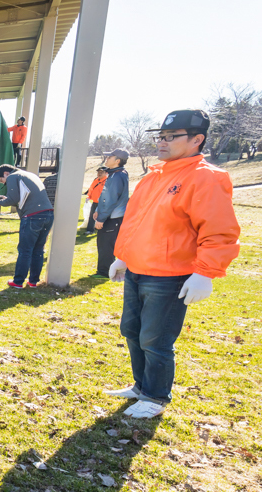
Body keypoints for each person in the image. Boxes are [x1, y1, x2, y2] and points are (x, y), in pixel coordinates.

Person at [104, 109, 240, 419]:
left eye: (171, 137)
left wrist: (205, 272)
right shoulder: (156, 175)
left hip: (170, 275)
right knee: (132, 330)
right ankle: (141, 386)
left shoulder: (206, 177)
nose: (162, 142)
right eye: (161, 136)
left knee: (155, 338)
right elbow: (137, 222)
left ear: (197, 140)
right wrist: (123, 256)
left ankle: (155, 396)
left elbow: (219, 230)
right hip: (138, 269)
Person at [0, 164, 54, 288]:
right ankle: (33, 281)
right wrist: (7, 198)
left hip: (32, 216)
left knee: (25, 250)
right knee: (38, 249)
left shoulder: (12, 177)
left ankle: (18, 281)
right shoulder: (30, 175)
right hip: (48, 214)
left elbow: (13, 200)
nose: (3, 183)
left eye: (1, 180)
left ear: (5, 173)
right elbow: (24, 197)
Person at [93, 149, 130, 278]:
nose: (107, 159)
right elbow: (105, 197)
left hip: (112, 217)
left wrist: (101, 219)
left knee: (106, 244)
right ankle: (104, 270)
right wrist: (98, 210)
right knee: (104, 243)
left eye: (110, 157)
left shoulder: (117, 176)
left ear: (117, 161)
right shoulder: (115, 174)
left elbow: (110, 200)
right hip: (110, 216)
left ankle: (104, 272)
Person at [82, 166, 108, 236]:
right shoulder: (96, 180)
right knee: (92, 216)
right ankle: (90, 230)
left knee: (102, 217)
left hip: (103, 203)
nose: (99, 174)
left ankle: (103, 230)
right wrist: (89, 197)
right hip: (95, 201)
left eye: (102, 172)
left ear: (106, 173)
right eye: (99, 172)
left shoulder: (108, 181)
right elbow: (91, 189)